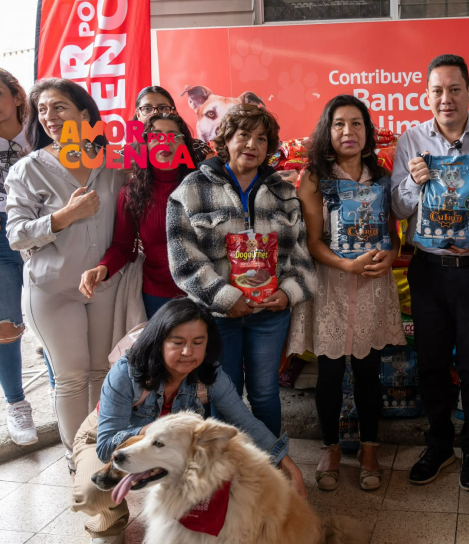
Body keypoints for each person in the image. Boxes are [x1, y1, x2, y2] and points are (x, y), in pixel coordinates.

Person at [71, 298, 305, 544]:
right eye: (177, 342)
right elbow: (107, 444)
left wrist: (288, 465)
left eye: (198, 342)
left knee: (214, 471)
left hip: (160, 451)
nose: (188, 352)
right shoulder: (126, 372)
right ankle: (109, 524)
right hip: (102, 437)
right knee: (93, 490)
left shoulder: (209, 374)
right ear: (159, 341)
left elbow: (244, 421)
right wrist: (152, 431)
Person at [391, 54, 469, 491]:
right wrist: (413, 181)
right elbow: (398, 207)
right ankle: (439, 443)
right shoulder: (411, 140)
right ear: (427, 95)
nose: (446, 98)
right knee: (431, 363)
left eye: (454, 89)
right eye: (437, 90)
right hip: (429, 270)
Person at [167, 104, 315, 438]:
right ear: (226, 139)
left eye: (261, 138)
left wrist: (287, 294)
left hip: (270, 314)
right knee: (224, 395)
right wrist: (225, 298)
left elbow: (301, 254)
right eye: (243, 135)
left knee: (265, 394)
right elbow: (183, 258)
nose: (252, 144)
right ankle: (229, 475)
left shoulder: (284, 192)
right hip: (219, 317)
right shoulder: (191, 189)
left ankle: (270, 467)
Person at [6, 78, 126, 461]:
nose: (49, 117)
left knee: (101, 375)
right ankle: (79, 463)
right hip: (53, 289)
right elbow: (16, 235)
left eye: (58, 107)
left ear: (84, 114)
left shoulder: (112, 163)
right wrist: (63, 217)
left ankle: (100, 456)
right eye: (42, 110)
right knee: (72, 378)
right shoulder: (27, 170)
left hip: (104, 287)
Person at [293, 94, 405, 491]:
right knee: (329, 374)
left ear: (367, 131)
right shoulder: (312, 178)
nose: (348, 131)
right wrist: (345, 265)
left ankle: (369, 448)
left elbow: (392, 233)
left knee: (368, 373)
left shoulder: (382, 175)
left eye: (356, 123)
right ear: (328, 130)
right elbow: (312, 240)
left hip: (373, 284)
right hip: (331, 286)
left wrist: (390, 254)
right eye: (339, 123)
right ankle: (330, 448)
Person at [0, 66, 43, 445]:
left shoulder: (40, 133)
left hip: (39, 235)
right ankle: (17, 405)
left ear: (17, 96)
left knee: (51, 323)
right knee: (6, 328)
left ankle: (59, 394)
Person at [79, 114, 198, 318]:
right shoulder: (132, 192)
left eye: (173, 136)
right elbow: (123, 246)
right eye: (155, 136)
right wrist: (102, 268)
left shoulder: (202, 186)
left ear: (184, 145)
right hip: (156, 296)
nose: (164, 142)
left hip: (202, 291)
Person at [133, 85, 212, 161]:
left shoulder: (199, 149)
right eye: (147, 108)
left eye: (162, 108)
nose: (155, 113)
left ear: (173, 112)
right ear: (138, 115)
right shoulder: (126, 156)